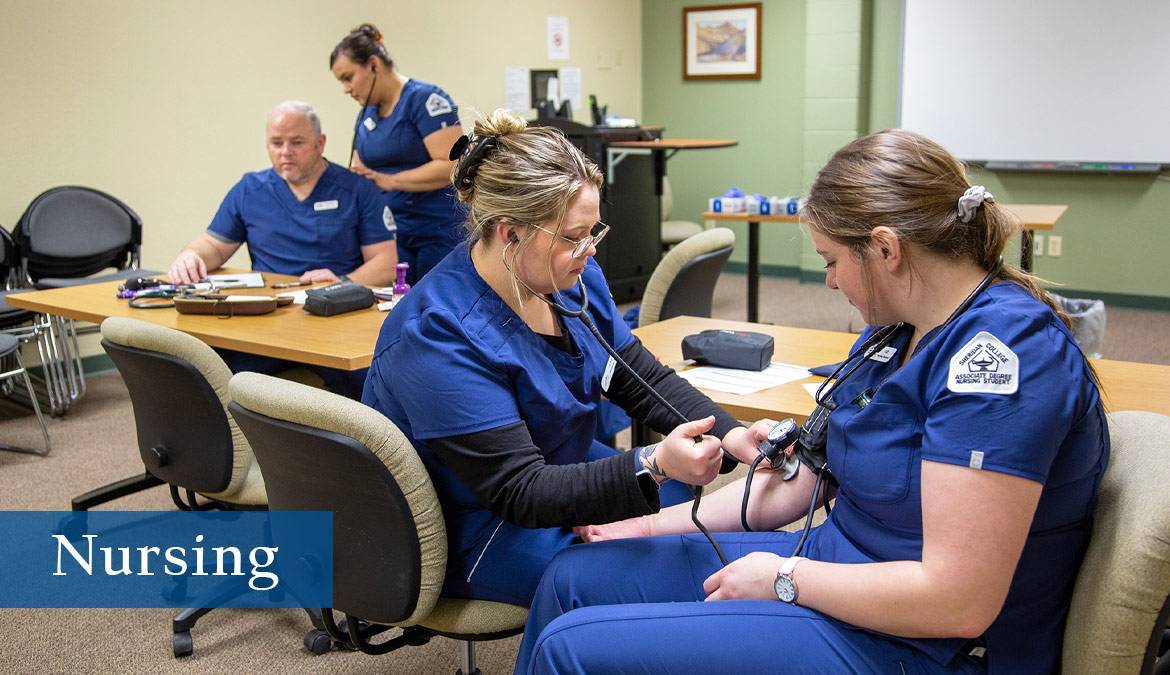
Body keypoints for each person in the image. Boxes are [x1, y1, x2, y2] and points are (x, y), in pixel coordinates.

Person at [516, 129, 1109, 674]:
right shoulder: (898, 331)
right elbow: (803, 483)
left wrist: (783, 578)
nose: (829, 282)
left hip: (921, 642)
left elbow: (959, 602)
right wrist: (643, 525)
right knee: (573, 575)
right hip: (836, 570)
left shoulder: (1001, 361)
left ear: (885, 249)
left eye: (831, 261)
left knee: (571, 651)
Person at [361, 110, 770, 607]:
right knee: (654, 570)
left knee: (678, 512)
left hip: (559, 463)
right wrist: (653, 462)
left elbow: (635, 373)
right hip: (479, 521)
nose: (590, 252)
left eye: (592, 231)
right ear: (510, 233)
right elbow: (519, 490)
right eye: (574, 237)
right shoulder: (436, 333)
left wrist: (730, 433)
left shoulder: (570, 277)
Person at [168, 100, 398, 398]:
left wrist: (342, 283)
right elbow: (214, 244)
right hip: (269, 319)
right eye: (276, 143)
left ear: (320, 143)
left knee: (374, 383)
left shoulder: (356, 190)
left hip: (334, 317)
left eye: (296, 142)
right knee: (206, 369)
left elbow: (385, 262)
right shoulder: (251, 189)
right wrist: (191, 255)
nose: (285, 152)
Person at [330, 24, 465, 285]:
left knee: (433, 307)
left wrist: (391, 181)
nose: (346, 89)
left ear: (373, 64)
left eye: (348, 77)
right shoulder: (367, 113)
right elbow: (362, 167)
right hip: (391, 234)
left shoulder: (425, 100)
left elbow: (453, 165)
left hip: (437, 231)